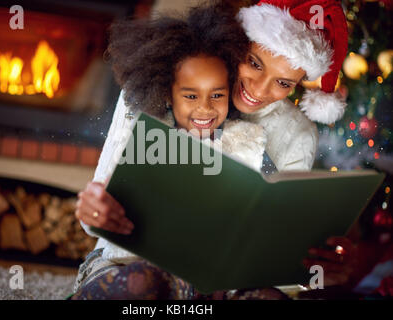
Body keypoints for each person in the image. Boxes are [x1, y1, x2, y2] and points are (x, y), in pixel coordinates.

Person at [74, 0, 354, 298]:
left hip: (223, 283)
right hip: (129, 263)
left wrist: (311, 270)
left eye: (283, 83)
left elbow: (277, 259)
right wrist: (96, 210)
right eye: (254, 63)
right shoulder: (154, 81)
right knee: (145, 286)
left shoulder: (297, 134)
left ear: (297, 85)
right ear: (236, 41)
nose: (258, 90)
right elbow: (95, 213)